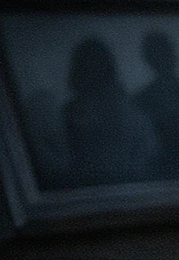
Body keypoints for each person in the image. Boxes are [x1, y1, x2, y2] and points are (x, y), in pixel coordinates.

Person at [63, 37, 159, 187]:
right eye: (88, 67)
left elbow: (148, 156)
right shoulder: (70, 112)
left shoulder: (130, 111)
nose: (94, 73)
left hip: (131, 189)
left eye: (98, 66)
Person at [133, 31, 179, 178]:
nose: (162, 59)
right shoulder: (141, 100)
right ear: (149, 59)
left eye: (165, 52)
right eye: (156, 54)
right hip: (161, 173)